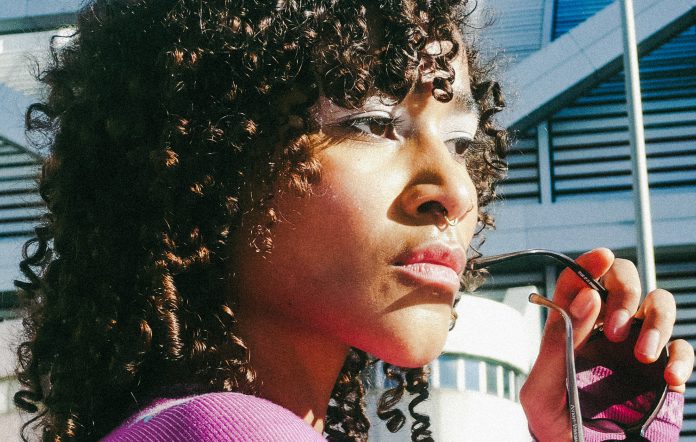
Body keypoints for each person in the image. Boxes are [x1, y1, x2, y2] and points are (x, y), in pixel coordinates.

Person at [13, 1, 693, 441]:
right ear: (203, 156)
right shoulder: (226, 433)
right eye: (373, 123)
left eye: (461, 143)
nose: (453, 189)